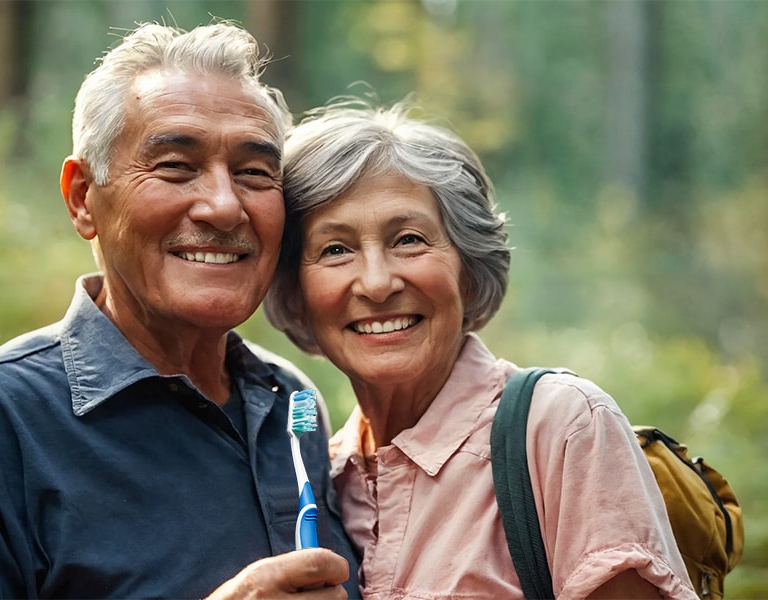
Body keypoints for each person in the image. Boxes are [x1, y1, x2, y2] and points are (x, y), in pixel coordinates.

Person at [0, 22, 359, 599]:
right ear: (83, 198)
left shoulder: (287, 400)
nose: (225, 207)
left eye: (254, 173)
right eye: (176, 166)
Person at [264, 98, 696, 599]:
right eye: (335, 249)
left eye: (408, 239)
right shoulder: (324, 477)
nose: (377, 283)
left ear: (468, 270)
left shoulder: (560, 428)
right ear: (296, 292)